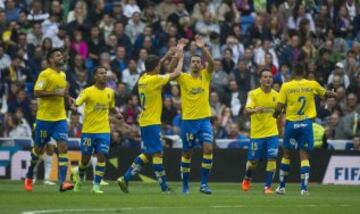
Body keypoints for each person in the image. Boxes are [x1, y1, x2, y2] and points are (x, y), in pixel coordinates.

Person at [117, 39, 186, 193]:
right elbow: (176, 73)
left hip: (146, 120)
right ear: (155, 68)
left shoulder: (143, 78)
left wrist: (167, 56)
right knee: (158, 152)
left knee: (148, 153)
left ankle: (125, 178)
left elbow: (154, 66)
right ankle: (164, 187)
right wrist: (180, 58)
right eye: (158, 65)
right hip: (151, 121)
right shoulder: (154, 80)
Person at [273, 63, 337, 195]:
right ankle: (303, 189)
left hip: (291, 124)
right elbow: (326, 94)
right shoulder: (311, 84)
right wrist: (333, 94)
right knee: (304, 156)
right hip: (306, 124)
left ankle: (282, 187)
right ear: (304, 73)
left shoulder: (286, 86)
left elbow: (279, 107)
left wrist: (275, 115)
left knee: (286, 154)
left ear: (292, 72)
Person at [24, 48, 74, 192]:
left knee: (63, 147)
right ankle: (29, 175)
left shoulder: (63, 75)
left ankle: (63, 182)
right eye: (58, 55)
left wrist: (69, 101)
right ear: (51, 60)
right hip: (45, 119)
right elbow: (36, 92)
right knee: (38, 149)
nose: (61, 57)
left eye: (61, 55)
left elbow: (63, 94)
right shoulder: (45, 74)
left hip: (60, 118)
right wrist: (55, 92)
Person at [70, 66, 120, 194]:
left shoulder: (110, 92)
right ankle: (79, 179)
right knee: (85, 159)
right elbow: (77, 102)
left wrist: (117, 113)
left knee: (101, 157)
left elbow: (111, 107)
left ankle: (96, 186)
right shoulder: (87, 91)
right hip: (88, 131)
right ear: (95, 77)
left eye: (105, 73)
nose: (104, 75)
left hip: (103, 130)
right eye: (101, 73)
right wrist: (74, 106)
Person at [178, 35, 215, 194]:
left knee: (208, 149)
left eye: (198, 61)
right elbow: (172, 69)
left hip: (204, 120)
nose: (195, 64)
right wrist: (179, 52)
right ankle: (185, 185)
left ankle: (204, 184)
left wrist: (202, 47)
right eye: (193, 61)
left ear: (201, 65)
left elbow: (212, 63)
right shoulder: (183, 78)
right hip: (188, 121)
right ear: (189, 64)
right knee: (187, 153)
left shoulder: (206, 76)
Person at [241, 69, 280, 194]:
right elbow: (245, 112)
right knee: (253, 162)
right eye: (265, 76)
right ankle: (247, 177)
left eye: (270, 76)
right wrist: (254, 110)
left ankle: (267, 187)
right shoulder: (253, 94)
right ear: (260, 79)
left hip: (272, 133)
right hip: (257, 134)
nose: (268, 79)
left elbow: (281, 113)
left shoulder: (277, 95)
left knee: (272, 158)